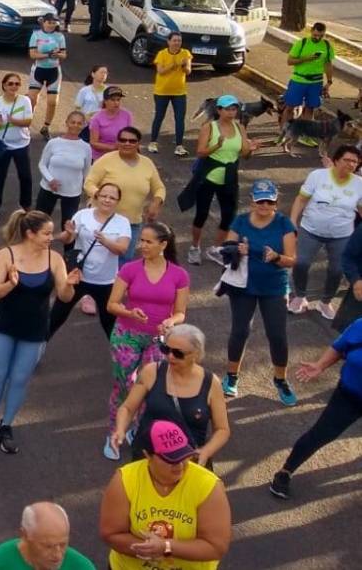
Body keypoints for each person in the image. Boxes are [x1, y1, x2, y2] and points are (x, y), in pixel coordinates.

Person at [0, 210, 76, 454]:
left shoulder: (54, 259)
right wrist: (10, 284)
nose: (50, 237)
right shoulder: (6, 255)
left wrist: (70, 285)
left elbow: (65, 297)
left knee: (21, 378)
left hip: (35, 328)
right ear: (30, 233)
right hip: (4, 324)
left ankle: (7, 424)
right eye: (46, 233)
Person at [105, 222, 189, 459]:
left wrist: (171, 322)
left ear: (163, 244)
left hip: (158, 339)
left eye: (148, 242)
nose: (141, 245)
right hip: (126, 336)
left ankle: (137, 429)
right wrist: (130, 313)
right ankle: (114, 430)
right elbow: (111, 304)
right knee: (123, 385)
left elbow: (181, 312)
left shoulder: (179, 275)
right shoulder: (130, 269)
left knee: (148, 387)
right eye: (141, 240)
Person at [98, 420, 231, 568]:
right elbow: (111, 534)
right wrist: (147, 548)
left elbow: (216, 547)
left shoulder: (208, 485)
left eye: (183, 456)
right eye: (171, 460)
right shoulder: (125, 480)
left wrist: (166, 547)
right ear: (147, 455)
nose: (180, 465)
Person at [222, 179, 299, 404]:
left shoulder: (285, 224)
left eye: (269, 201)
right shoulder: (241, 221)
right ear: (252, 202)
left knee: (277, 335)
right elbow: (225, 250)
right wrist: (237, 249)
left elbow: (291, 260)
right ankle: (231, 377)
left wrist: (276, 257)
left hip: (274, 287)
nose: (264, 206)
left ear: (276, 202)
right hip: (243, 286)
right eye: (260, 201)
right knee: (240, 331)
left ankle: (281, 380)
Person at [269, 314, 362, 500]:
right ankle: (285, 472)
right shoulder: (360, 326)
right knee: (321, 434)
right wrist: (320, 365)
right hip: (349, 396)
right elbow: (340, 346)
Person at [111, 324, 230, 468]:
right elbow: (128, 408)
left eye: (178, 353)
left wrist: (205, 451)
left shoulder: (211, 383)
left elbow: (222, 429)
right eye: (165, 349)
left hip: (188, 462)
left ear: (196, 355)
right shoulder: (151, 372)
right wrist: (120, 429)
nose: (169, 356)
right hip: (149, 457)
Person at [50, 183, 131, 340]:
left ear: (118, 201)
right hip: (78, 277)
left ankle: (123, 360)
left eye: (112, 198)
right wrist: (68, 233)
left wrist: (106, 241)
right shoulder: (82, 215)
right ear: (97, 197)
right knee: (55, 316)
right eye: (104, 196)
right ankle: (36, 350)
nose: (107, 200)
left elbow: (122, 249)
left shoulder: (122, 222)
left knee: (110, 325)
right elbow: (69, 239)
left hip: (106, 282)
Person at [290, 145, 362, 318]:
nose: (351, 164)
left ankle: (325, 302)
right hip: (310, 229)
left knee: (337, 270)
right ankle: (300, 296)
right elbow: (301, 199)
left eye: (355, 161)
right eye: (347, 160)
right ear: (336, 160)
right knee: (301, 263)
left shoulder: (359, 184)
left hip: (342, 235)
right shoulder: (317, 176)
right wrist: (292, 221)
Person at [185, 95, 252, 265]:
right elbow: (200, 152)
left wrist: (251, 149)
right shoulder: (209, 127)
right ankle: (195, 247)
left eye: (234, 109)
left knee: (229, 215)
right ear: (219, 110)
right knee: (202, 214)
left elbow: (245, 155)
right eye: (228, 109)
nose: (231, 112)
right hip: (208, 176)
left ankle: (216, 248)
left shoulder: (240, 128)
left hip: (229, 177)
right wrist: (217, 145)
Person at [85, 126, 166, 264]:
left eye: (132, 141)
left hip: (131, 223)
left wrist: (156, 202)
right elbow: (89, 183)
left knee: (124, 260)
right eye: (123, 140)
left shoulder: (147, 163)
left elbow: (159, 188)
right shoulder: (106, 160)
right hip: (103, 219)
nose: (127, 143)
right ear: (117, 142)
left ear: (138, 143)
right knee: (97, 257)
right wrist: (101, 196)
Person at [0, 502, 97, 570]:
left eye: (63, 544)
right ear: (24, 535)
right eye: (48, 546)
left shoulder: (82, 567)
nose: (57, 555)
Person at [0, 73, 35, 220]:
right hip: (3, 145)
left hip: (21, 144)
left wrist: (11, 120)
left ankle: (26, 205)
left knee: (25, 176)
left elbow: (28, 122)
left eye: (17, 84)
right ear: (4, 85)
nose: (14, 86)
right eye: (10, 84)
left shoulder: (25, 100)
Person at [36, 110, 92, 224]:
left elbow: (86, 171)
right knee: (40, 222)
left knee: (68, 225)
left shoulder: (86, 147)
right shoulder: (53, 143)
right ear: (67, 123)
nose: (75, 125)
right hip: (48, 188)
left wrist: (88, 192)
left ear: (84, 125)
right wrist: (50, 180)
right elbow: (42, 164)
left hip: (72, 192)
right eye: (73, 122)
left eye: (79, 123)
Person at [280, 21, 334, 134]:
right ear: (311, 31)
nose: (317, 38)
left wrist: (329, 82)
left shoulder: (327, 46)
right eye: (315, 35)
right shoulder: (302, 43)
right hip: (299, 80)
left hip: (316, 82)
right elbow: (290, 61)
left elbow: (328, 64)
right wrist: (307, 59)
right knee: (290, 107)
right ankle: (284, 132)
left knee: (310, 108)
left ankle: (305, 134)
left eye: (321, 36)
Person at [149, 34, 193, 156]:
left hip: (179, 92)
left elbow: (188, 71)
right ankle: (153, 142)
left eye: (179, 41)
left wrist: (184, 65)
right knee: (159, 117)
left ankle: (179, 146)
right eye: (174, 40)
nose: (177, 43)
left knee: (180, 119)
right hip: (161, 92)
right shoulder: (162, 54)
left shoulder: (186, 53)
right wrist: (174, 64)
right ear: (168, 42)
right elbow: (160, 71)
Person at [26, 14, 67, 138]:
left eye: (54, 23)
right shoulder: (36, 35)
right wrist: (48, 55)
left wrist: (58, 55)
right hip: (39, 69)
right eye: (49, 22)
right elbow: (32, 55)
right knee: (32, 99)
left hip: (53, 71)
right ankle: (26, 124)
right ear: (43, 23)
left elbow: (64, 55)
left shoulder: (60, 36)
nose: (51, 25)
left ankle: (46, 127)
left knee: (52, 101)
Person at [87, 85, 132, 159]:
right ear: (105, 101)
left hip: (121, 155)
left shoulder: (127, 115)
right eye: (113, 100)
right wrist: (112, 148)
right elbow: (93, 143)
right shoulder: (96, 118)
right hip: (101, 157)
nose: (116, 103)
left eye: (118, 100)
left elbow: (130, 135)